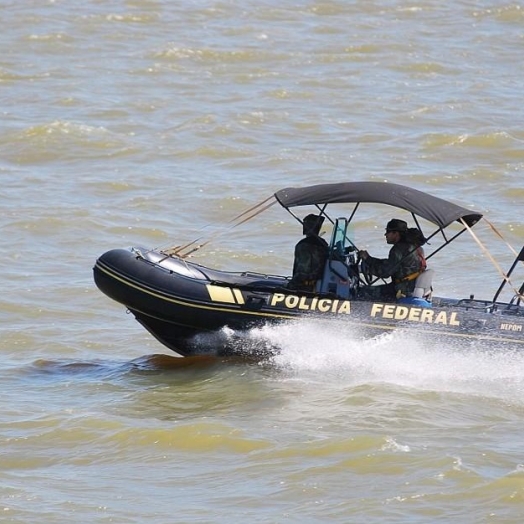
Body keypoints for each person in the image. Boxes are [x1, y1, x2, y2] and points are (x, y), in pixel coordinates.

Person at [358, 218, 426, 301]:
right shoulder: (416, 247)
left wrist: (368, 259)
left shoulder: (398, 249)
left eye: (387, 232)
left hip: (402, 290)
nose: (385, 235)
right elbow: (391, 264)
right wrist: (370, 259)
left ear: (396, 233)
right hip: (412, 287)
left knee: (362, 292)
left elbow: (385, 272)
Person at [288, 214, 329, 292]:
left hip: (303, 287)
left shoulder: (303, 245)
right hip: (318, 284)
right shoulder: (323, 244)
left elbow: (302, 272)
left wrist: (292, 284)